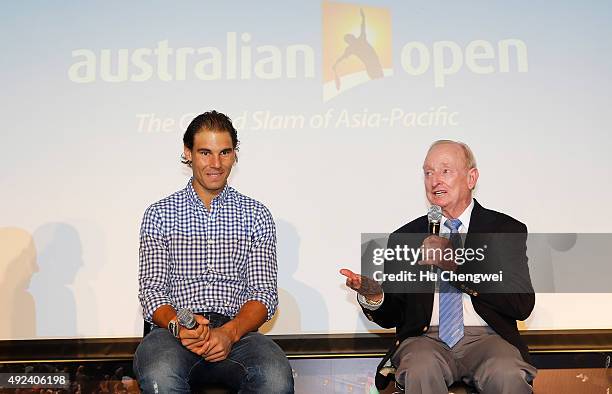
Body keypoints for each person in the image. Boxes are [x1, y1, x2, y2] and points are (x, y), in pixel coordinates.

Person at [341, 140, 537, 393]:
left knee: (507, 372)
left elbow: (521, 304)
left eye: (445, 171)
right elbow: (392, 315)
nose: (435, 181)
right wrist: (374, 296)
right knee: (420, 367)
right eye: (428, 172)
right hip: (426, 341)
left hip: (489, 340)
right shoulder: (406, 236)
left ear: (471, 177)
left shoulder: (504, 230)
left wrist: (456, 269)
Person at [134, 110, 294, 393]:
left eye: (225, 152)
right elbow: (152, 291)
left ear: (235, 155)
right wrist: (181, 327)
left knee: (276, 378)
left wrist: (228, 333)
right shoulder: (159, 214)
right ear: (188, 153)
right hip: (173, 333)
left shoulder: (256, 215)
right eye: (205, 152)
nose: (216, 163)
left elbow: (264, 294)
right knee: (160, 372)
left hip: (239, 334)